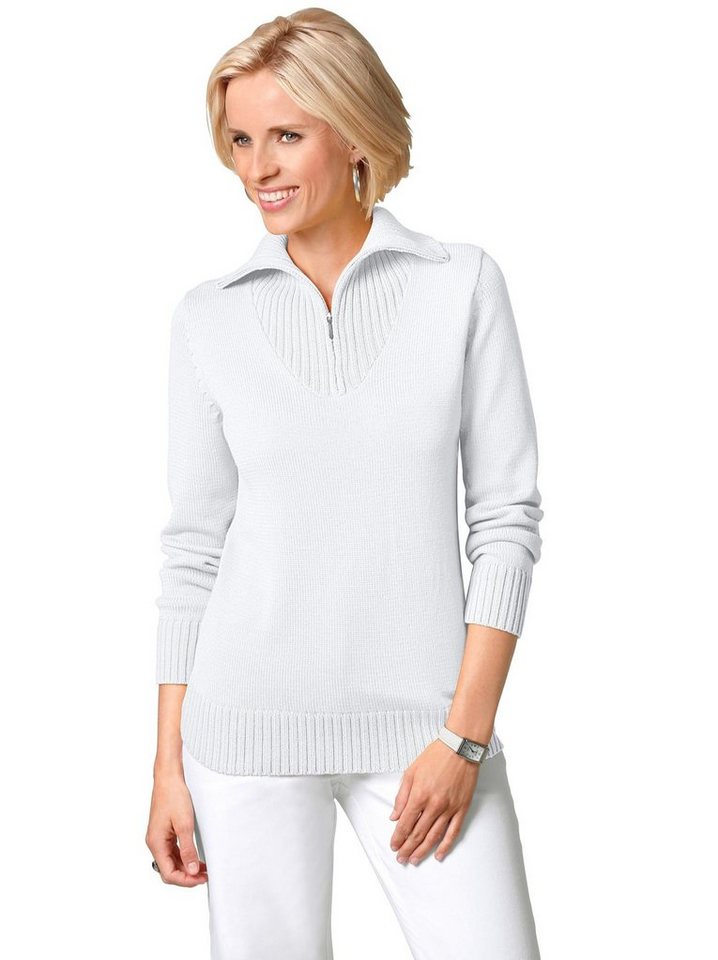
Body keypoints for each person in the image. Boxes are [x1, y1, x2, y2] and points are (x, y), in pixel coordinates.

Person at [145, 9, 544, 959]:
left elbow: (505, 522)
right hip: (243, 738)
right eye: (241, 140)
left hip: (427, 736)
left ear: (355, 133)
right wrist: (168, 767)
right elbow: (194, 550)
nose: (258, 168)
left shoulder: (460, 285)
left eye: (287, 135)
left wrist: (464, 739)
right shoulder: (209, 318)